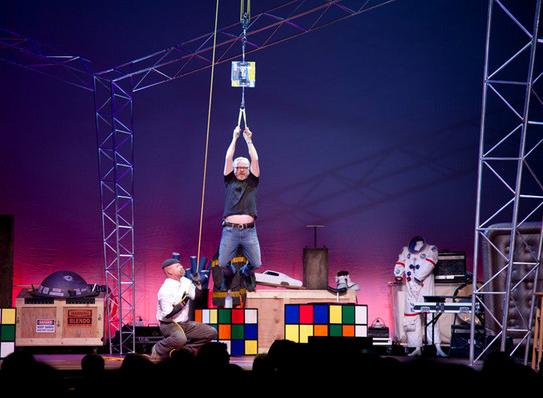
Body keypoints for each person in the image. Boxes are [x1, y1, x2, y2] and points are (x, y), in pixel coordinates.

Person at [218, 125, 261, 291]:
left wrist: (249, 140)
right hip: (230, 230)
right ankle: (230, 274)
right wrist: (235, 137)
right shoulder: (229, 181)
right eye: (239, 167)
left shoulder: (252, 182)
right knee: (222, 263)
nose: (242, 170)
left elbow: (255, 160)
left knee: (256, 262)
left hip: (249, 230)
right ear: (234, 169)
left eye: (245, 167)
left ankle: (245, 271)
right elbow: (228, 158)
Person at [151, 258, 217, 361]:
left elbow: (197, 297)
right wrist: (185, 299)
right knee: (180, 339)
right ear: (169, 271)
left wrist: (198, 283)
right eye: (177, 266)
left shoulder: (186, 281)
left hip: (185, 323)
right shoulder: (165, 290)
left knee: (211, 332)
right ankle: (158, 348)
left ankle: (185, 352)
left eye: (180, 265)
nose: (181, 266)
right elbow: (168, 314)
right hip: (169, 324)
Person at [393, 236, 447, 357]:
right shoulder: (406, 250)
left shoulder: (431, 249)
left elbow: (429, 264)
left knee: (431, 318)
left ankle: (436, 345)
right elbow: (400, 263)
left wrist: (417, 277)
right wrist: (397, 273)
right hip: (410, 290)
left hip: (425, 290)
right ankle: (416, 347)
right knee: (411, 319)